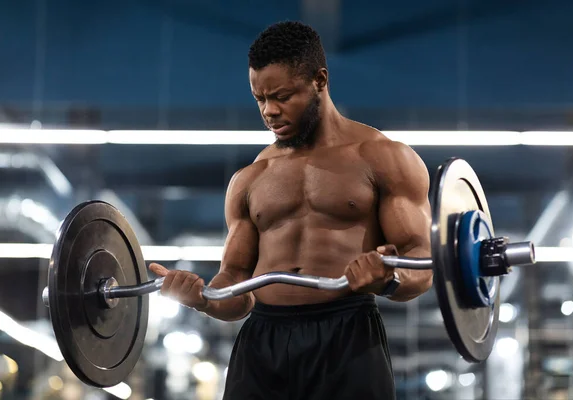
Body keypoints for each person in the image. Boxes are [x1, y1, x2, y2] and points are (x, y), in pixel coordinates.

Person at [149, 21, 433, 400]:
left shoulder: (384, 157)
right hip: (263, 338)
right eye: (260, 99)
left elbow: (421, 260)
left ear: (319, 80)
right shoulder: (250, 178)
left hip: (348, 333)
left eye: (282, 96)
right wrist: (203, 298)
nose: (270, 111)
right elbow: (237, 284)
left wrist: (388, 280)